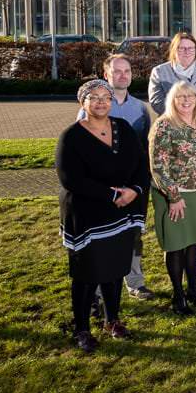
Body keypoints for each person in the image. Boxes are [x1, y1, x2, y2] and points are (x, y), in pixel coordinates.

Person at [57, 80, 148, 353]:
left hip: (121, 213)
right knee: (87, 274)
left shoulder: (123, 129)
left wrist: (134, 190)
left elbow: (141, 164)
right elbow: (69, 178)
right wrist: (111, 195)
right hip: (88, 214)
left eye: (105, 97)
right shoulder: (71, 136)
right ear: (82, 102)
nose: (100, 102)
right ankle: (82, 328)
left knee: (115, 269)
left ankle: (112, 320)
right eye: (93, 97)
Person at [73, 54, 152, 302]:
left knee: (133, 234)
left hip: (133, 186)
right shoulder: (91, 107)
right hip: (104, 187)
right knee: (102, 236)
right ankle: (97, 288)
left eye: (127, 71)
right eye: (117, 71)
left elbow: (144, 150)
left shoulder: (140, 108)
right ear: (106, 75)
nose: (122, 75)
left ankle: (135, 282)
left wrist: (138, 185)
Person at [149, 81, 196, 315]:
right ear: (173, 100)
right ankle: (178, 295)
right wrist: (174, 197)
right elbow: (158, 166)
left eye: (190, 96)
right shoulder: (164, 126)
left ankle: (194, 290)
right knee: (176, 245)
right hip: (173, 195)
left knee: (194, 243)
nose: (186, 100)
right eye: (181, 97)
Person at [148, 32, 196, 130]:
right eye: (181, 48)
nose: (187, 51)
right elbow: (157, 102)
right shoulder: (160, 72)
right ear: (174, 49)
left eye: (191, 48)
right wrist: (183, 117)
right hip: (174, 129)